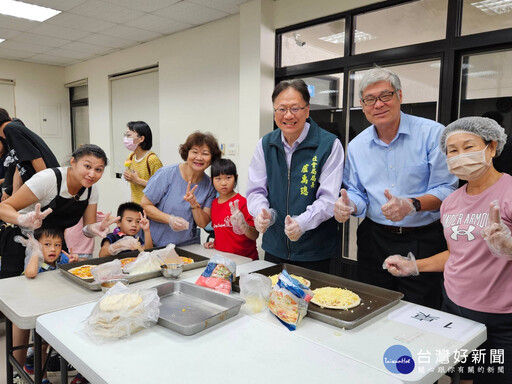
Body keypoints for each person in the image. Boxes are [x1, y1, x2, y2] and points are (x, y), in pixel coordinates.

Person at [384, 116, 512, 384]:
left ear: (491, 147)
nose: (460, 156)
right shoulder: (451, 202)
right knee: (461, 377)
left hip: (501, 317)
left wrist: (508, 247)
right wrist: (414, 266)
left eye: (469, 147)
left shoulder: (509, 192)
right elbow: (457, 254)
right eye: (452, 151)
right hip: (454, 308)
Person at [335, 67, 458, 308]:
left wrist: (412, 205)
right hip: (375, 238)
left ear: (400, 96)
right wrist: (349, 205)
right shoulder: (358, 146)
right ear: (362, 105)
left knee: (421, 308)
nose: (378, 104)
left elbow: (448, 189)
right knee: (373, 303)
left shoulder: (432, 134)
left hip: (423, 237)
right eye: (370, 99)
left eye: (385, 96)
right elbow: (358, 193)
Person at [246, 79, 344, 273]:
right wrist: (261, 212)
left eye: (295, 108)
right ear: (274, 112)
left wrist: (302, 222)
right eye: (281, 109)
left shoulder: (329, 144)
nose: (288, 115)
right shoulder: (266, 144)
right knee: (273, 300)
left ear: (307, 110)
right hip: (275, 247)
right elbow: (255, 189)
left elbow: (329, 198)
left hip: (315, 251)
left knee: (314, 301)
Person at [0, 144, 118, 278]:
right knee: (18, 290)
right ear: (73, 162)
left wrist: (93, 228)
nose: (92, 174)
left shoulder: (91, 190)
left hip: (54, 244)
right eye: (87, 166)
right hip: (22, 240)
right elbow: (3, 207)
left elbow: (86, 229)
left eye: (98, 169)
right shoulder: (48, 179)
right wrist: (22, 219)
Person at [13, 226, 78, 383]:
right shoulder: (35, 261)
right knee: (40, 348)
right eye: (47, 244)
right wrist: (35, 252)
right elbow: (30, 273)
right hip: (39, 312)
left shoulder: (60, 260)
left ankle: (35, 367)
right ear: (37, 245)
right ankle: (42, 378)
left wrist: (72, 262)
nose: (53, 249)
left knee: (50, 345)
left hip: (55, 311)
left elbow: (69, 272)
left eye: (57, 245)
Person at [141, 131, 221, 247]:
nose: (199, 158)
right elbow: (145, 205)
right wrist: (169, 219)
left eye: (205, 153)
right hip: (155, 243)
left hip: (188, 246)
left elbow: (203, 223)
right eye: (194, 152)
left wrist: (194, 205)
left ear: (212, 158)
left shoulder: (210, 185)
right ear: (187, 153)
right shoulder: (166, 174)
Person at [204, 159, 259, 260]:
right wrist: (216, 243)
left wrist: (244, 225)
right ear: (212, 180)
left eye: (228, 178)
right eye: (218, 179)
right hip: (223, 259)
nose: (224, 183)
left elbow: (255, 235)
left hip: (246, 260)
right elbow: (222, 232)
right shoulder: (214, 204)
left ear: (235, 178)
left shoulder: (243, 202)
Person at [0, 109, 59, 197]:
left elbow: (36, 158)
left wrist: (48, 188)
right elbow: (19, 166)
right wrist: (14, 194)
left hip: (45, 183)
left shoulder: (11, 129)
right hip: (33, 184)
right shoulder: (10, 131)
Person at [122, 121, 163, 204]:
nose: (126, 139)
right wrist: (128, 177)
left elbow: (160, 187)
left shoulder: (152, 159)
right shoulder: (130, 157)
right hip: (136, 205)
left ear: (141, 138)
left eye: (129, 135)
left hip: (150, 208)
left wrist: (137, 180)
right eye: (125, 135)